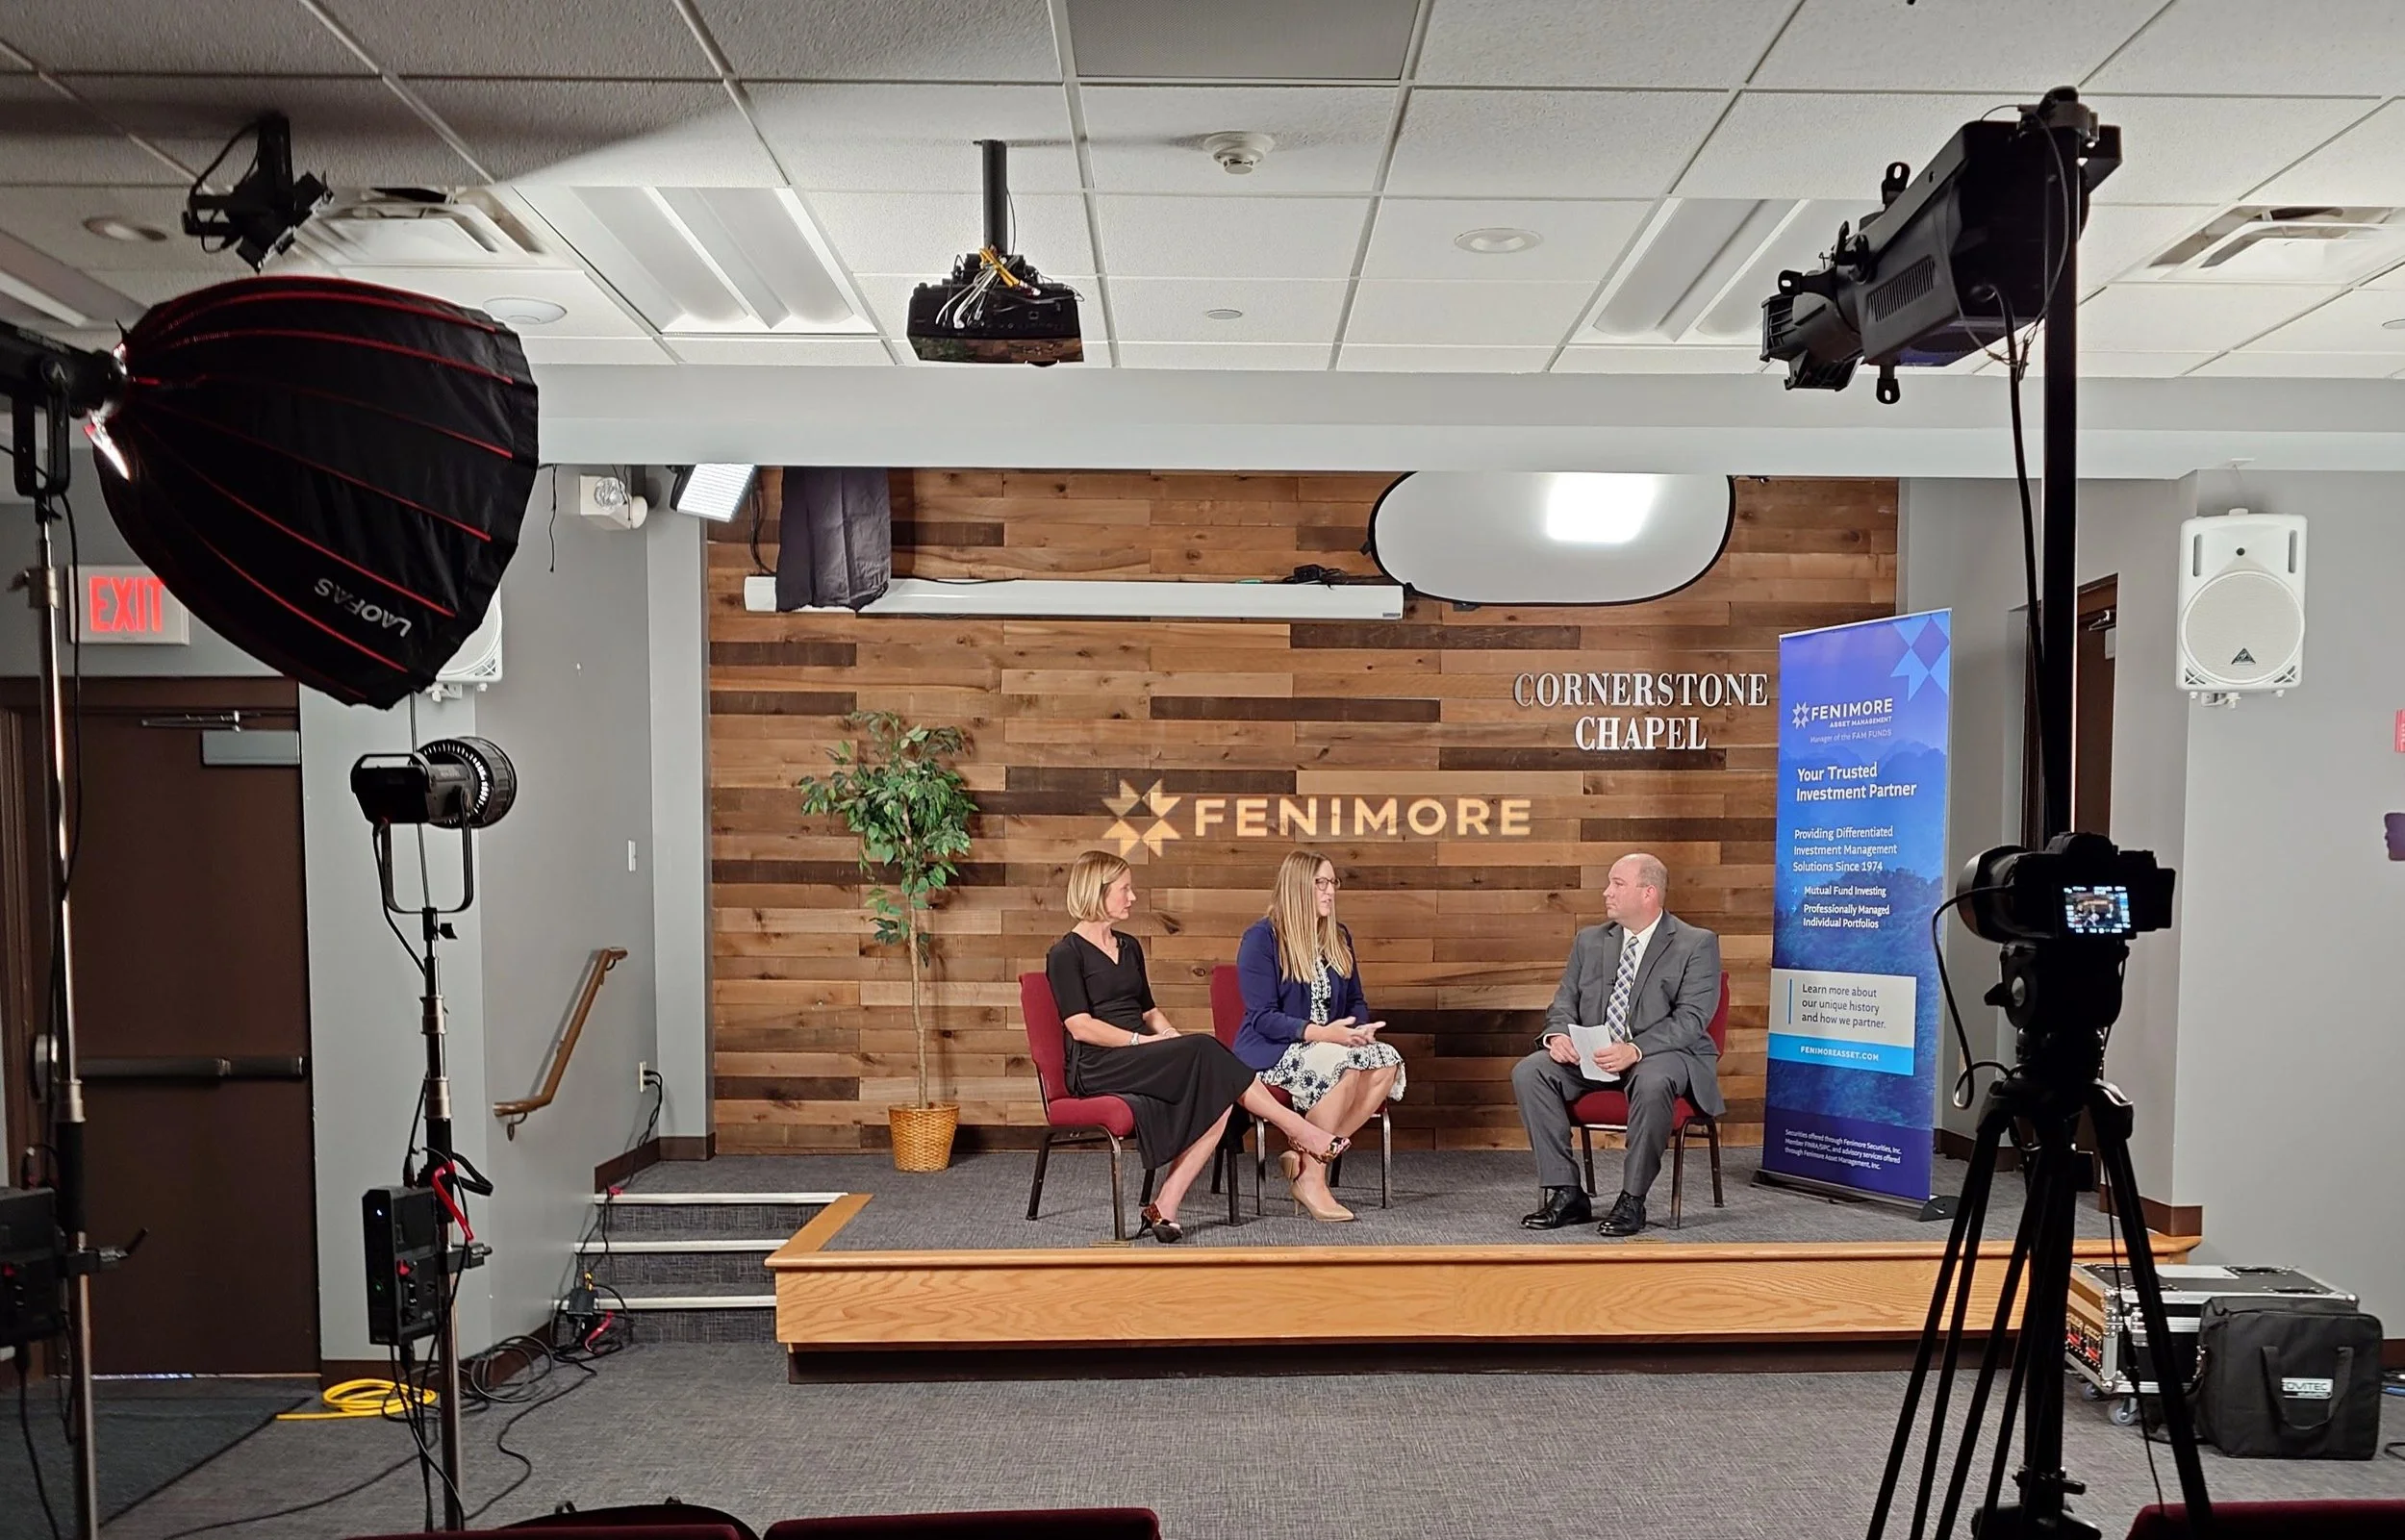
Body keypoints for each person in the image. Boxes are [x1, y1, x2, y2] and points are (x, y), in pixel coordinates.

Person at [1045, 849, 1346, 1243]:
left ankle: (1164, 1206)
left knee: (1217, 1092)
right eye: (1125, 890)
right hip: (1098, 1064)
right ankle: (1298, 1129)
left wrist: (1168, 1036)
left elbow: (1148, 1009)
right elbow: (1080, 1026)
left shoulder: (1129, 946)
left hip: (1143, 1054)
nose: (1132, 898)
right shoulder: (1065, 954)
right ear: (1096, 892)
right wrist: (1144, 1041)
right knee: (1206, 1049)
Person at [1510, 852, 1723, 1238]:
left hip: (1663, 1056)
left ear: (1648, 893)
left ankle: (1632, 1199)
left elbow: (1692, 1019)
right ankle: (1566, 1192)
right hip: (1594, 1056)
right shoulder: (1590, 940)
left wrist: (1636, 1048)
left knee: (1653, 1079)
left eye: (1617, 884)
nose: (1606, 892)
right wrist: (1556, 1035)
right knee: (1531, 1071)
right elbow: (1564, 1000)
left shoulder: (1695, 943)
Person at [1232, 849, 1405, 1222]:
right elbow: (1262, 1018)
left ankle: (1308, 1163)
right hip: (1275, 1049)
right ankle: (1314, 1180)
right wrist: (1323, 1034)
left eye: (1333, 883)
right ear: (1297, 888)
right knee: (1343, 1066)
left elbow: (1356, 999)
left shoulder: (1337, 936)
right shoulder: (1261, 938)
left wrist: (1360, 1030)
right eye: (1321, 884)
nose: (1330, 892)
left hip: (1329, 1044)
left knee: (1387, 1061)